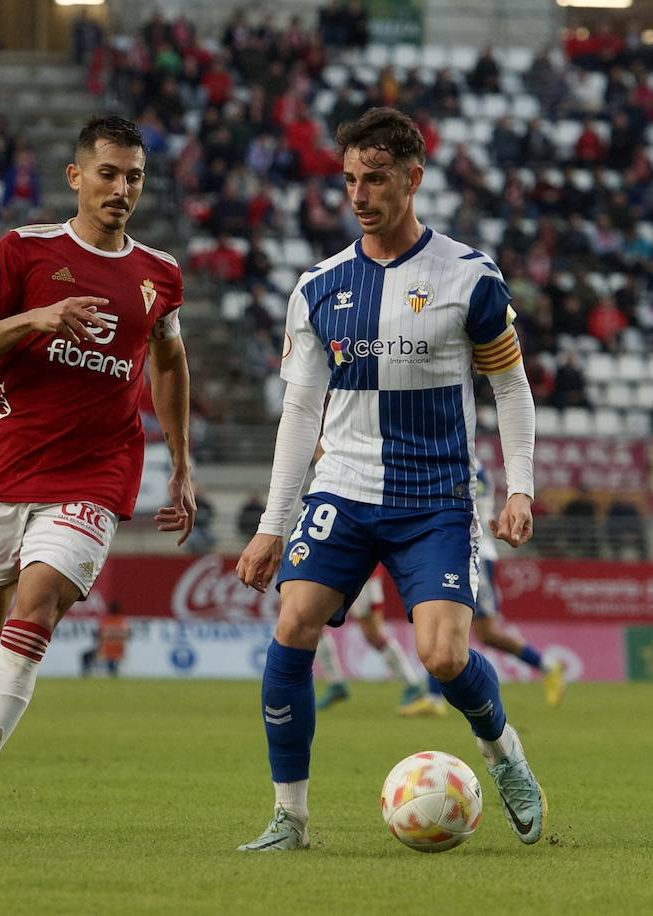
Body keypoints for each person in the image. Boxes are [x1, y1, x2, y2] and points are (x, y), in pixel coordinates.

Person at [234, 108, 546, 852]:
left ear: (414, 177)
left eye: (375, 178)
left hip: (436, 497)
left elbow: (510, 385)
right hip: (342, 489)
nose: (359, 193)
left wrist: (519, 486)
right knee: (294, 622)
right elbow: (301, 410)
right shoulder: (320, 287)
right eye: (349, 179)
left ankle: (505, 755)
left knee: (442, 657)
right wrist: (273, 523)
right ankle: (290, 817)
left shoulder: (469, 278)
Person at [0, 116, 195, 840]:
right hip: (5, 470)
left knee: (36, 614)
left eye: (135, 177)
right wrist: (39, 317)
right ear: (77, 177)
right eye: (110, 173)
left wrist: (181, 464)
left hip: (94, 478)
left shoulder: (159, 274)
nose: (123, 188)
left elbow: (170, 360)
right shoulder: (24, 251)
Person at [415, 461, 566, 714]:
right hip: (462, 551)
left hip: (474, 553)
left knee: (485, 631)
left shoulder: (464, 463)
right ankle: (433, 698)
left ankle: (547, 666)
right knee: (447, 620)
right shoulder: (465, 461)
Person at [312, 567, 428, 713]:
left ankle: (413, 685)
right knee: (314, 622)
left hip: (362, 572)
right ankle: (335, 683)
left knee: (374, 635)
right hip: (335, 570)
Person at [80, 602, 129, 677]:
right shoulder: (122, 621)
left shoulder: (106, 621)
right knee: (111, 663)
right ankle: (113, 673)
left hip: (105, 650)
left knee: (85, 656)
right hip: (119, 650)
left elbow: (99, 635)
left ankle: (86, 674)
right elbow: (127, 636)